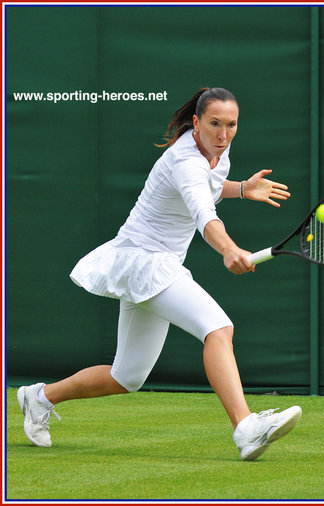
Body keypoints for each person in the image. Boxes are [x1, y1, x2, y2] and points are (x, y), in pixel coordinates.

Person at [17, 87, 302, 461]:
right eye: (215, 124)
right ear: (196, 123)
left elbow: (208, 190)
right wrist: (230, 249)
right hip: (146, 260)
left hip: (151, 265)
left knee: (127, 377)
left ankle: (39, 397)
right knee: (218, 328)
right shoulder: (186, 160)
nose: (223, 134)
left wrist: (243, 189)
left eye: (231, 125)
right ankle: (245, 427)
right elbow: (203, 213)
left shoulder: (216, 149)